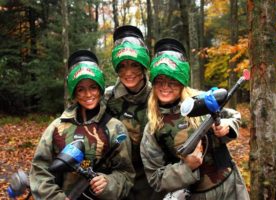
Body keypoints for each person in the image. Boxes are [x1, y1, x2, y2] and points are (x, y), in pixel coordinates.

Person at [140, 38, 250, 200]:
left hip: (231, 187)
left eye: (172, 82)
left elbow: (234, 115)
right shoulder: (153, 127)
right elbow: (155, 178)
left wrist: (226, 126)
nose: (165, 87)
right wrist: (186, 167)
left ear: (182, 82)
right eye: (160, 81)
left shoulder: (200, 102)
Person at [29, 50, 135, 199]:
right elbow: (39, 171)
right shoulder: (57, 127)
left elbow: (126, 174)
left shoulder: (115, 128)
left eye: (93, 87)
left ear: (100, 88)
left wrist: (108, 183)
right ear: (74, 92)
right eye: (81, 89)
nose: (88, 94)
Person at [105, 25, 165, 199]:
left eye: (134, 65)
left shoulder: (161, 93)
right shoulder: (106, 98)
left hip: (156, 179)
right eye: (122, 66)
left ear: (143, 66)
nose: (128, 72)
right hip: (119, 179)